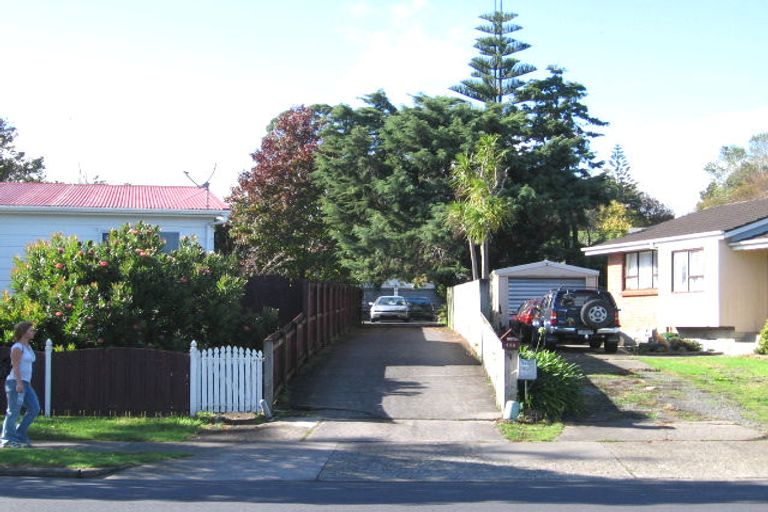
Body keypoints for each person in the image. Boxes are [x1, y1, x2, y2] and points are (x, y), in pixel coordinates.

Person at [2, 321, 40, 448]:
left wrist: (27, 384)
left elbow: (27, 368)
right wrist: (19, 383)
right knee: (13, 411)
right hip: (15, 382)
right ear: (23, 333)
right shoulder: (17, 347)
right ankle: (7, 439)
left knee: (35, 408)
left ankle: (19, 434)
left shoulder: (28, 347)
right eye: (31, 330)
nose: (33, 332)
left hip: (26, 384)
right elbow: (16, 366)